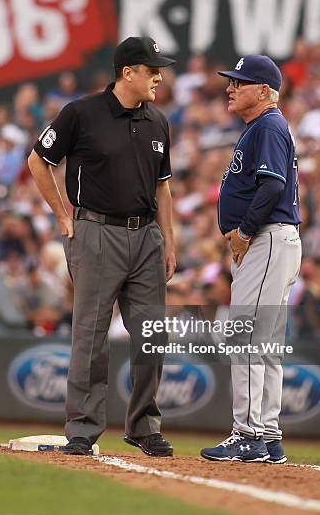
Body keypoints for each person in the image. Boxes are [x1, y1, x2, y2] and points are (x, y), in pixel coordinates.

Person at [28, 36, 177, 456]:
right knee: (90, 336)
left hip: (147, 235)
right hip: (95, 232)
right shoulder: (81, 113)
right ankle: (83, 427)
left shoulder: (158, 121)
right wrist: (62, 214)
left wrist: (169, 240)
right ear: (127, 72)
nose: (159, 77)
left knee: (152, 335)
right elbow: (39, 160)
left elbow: (163, 188)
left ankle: (144, 426)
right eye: (152, 70)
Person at [201, 55, 302, 464]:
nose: (230, 88)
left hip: (265, 239)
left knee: (244, 336)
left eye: (239, 83)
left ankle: (248, 434)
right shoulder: (263, 126)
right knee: (265, 342)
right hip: (273, 241)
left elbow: (272, 187)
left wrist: (244, 232)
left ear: (263, 91)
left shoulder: (269, 125)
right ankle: (268, 433)